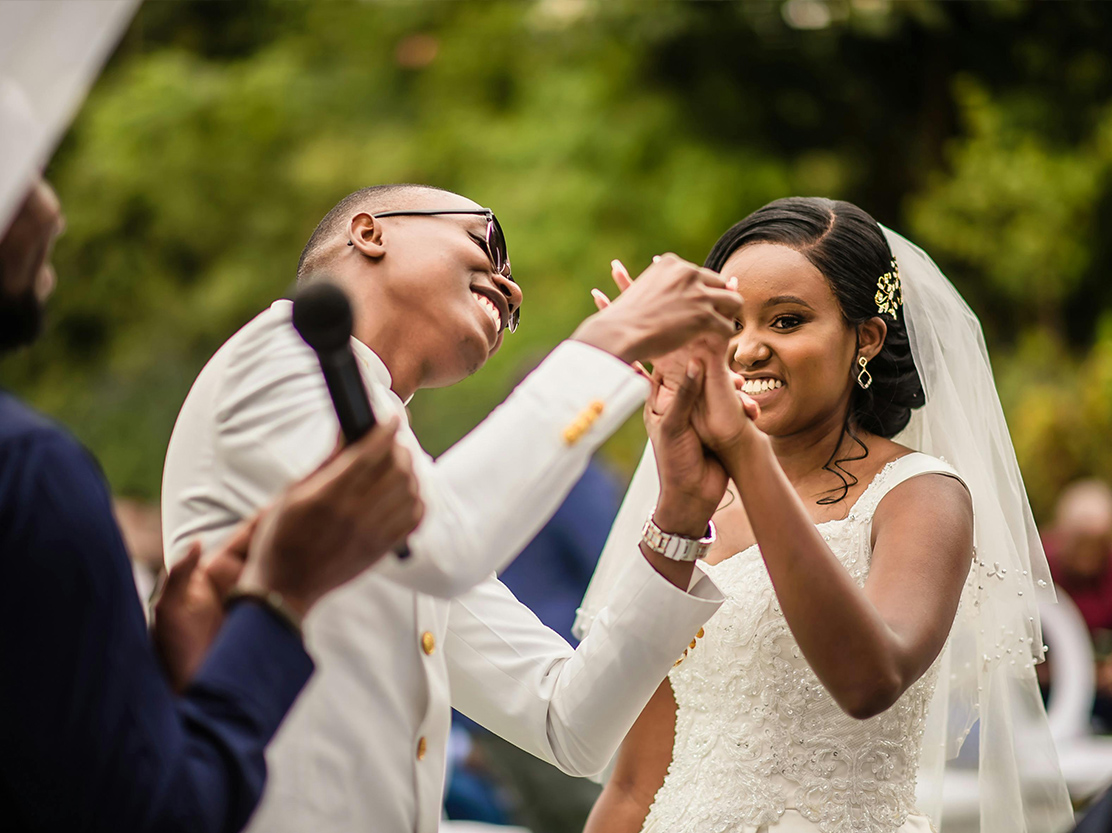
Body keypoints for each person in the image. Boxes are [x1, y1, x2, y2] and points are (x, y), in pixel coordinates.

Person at [162, 183, 738, 833]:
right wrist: (611, 341)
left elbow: (567, 723)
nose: (511, 289)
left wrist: (677, 522)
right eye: (487, 239)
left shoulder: (402, 473)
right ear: (370, 232)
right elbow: (437, 544)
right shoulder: (278, 353)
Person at [578, 197, 1074, 833]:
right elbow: (633, 787)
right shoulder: (690, 507)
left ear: (865, 337)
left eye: (786, 321)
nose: (746, 349)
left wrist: (743, 452)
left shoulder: (919, 495)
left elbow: (871, 680)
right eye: (728, 323)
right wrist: (682, 503)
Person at [0, 178, 425, 832]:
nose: (52, 211)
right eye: (24, 175)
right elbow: (161, 817)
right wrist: (279, 599)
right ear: (368, 234)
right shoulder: (30, 472)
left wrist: (150, 685)